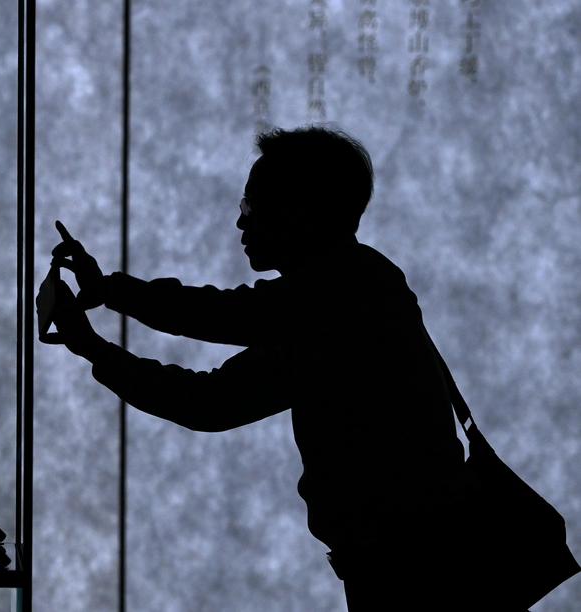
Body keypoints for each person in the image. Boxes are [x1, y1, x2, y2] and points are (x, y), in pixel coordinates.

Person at [38, 126, 511, 610]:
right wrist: (108, 293)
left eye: (252, 205)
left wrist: (93, 344)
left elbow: (209, 399)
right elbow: (223, 321)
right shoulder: (357, 281)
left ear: (301, 211)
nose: (240, 221)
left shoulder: (335, 302)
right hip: (420, 563)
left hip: (408, 573)